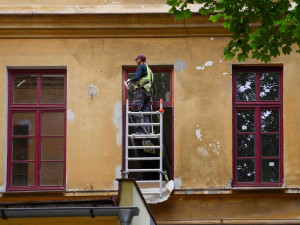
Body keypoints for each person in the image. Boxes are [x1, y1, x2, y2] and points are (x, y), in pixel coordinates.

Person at [124, 54, 153, 134]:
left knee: (135, 110)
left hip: (141, 92)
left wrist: (129, 81)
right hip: (147, 93)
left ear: (139, 59)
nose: (136, 61)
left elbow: (137, 77)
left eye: (136, 59)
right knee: (145, 114)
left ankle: (140, 131)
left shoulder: (141, 66)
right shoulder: (148, 69)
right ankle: (147, 131)